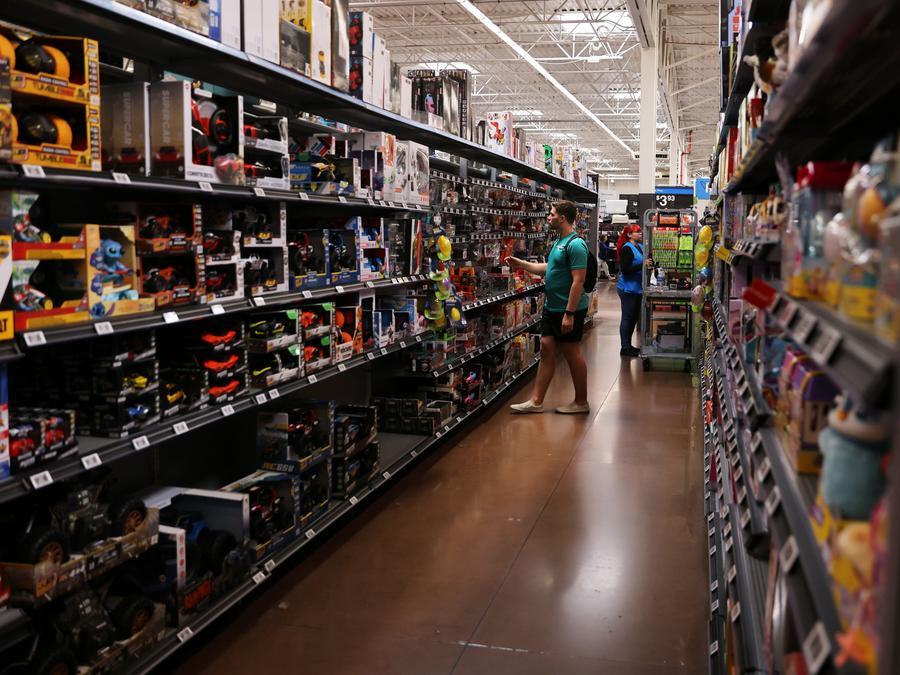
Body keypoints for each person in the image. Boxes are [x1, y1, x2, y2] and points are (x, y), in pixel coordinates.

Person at [505, 201, 590, 414]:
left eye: (551, 214)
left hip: (568, 309)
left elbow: (578, 281)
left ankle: (581, 402)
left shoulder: (576, 245)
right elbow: (548, 268)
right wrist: (521, 264)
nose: (548, 217)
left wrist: (569, 313)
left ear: (562, 218)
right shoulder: (559, 241)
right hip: (551, 307)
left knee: (571, 352)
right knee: (546, 348)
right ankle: (536, 401)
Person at [616, 224, 652, 357]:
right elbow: (625, 269)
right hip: (627, 289)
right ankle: (625, 348)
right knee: (627, 317)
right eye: (637, 232)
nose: (640, 233)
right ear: (629, 235)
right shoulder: (627, 248)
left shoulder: (640, 247)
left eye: (640, 231)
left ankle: (628, 345)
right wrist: (642, 264)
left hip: (637, 288)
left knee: (634, 318)